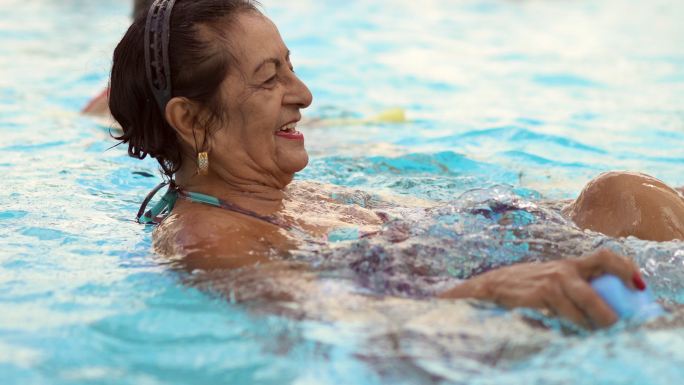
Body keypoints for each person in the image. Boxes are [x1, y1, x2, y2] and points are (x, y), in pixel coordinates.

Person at [109, 0, 671, 329]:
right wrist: (497, 289)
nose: (303, 93)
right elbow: (344, 320)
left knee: (619, 195)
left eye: (290, 67)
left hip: (524, 271)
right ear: (190, 119)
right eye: (268, 77)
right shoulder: (209, 243)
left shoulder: (278, 196)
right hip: (479, 325)